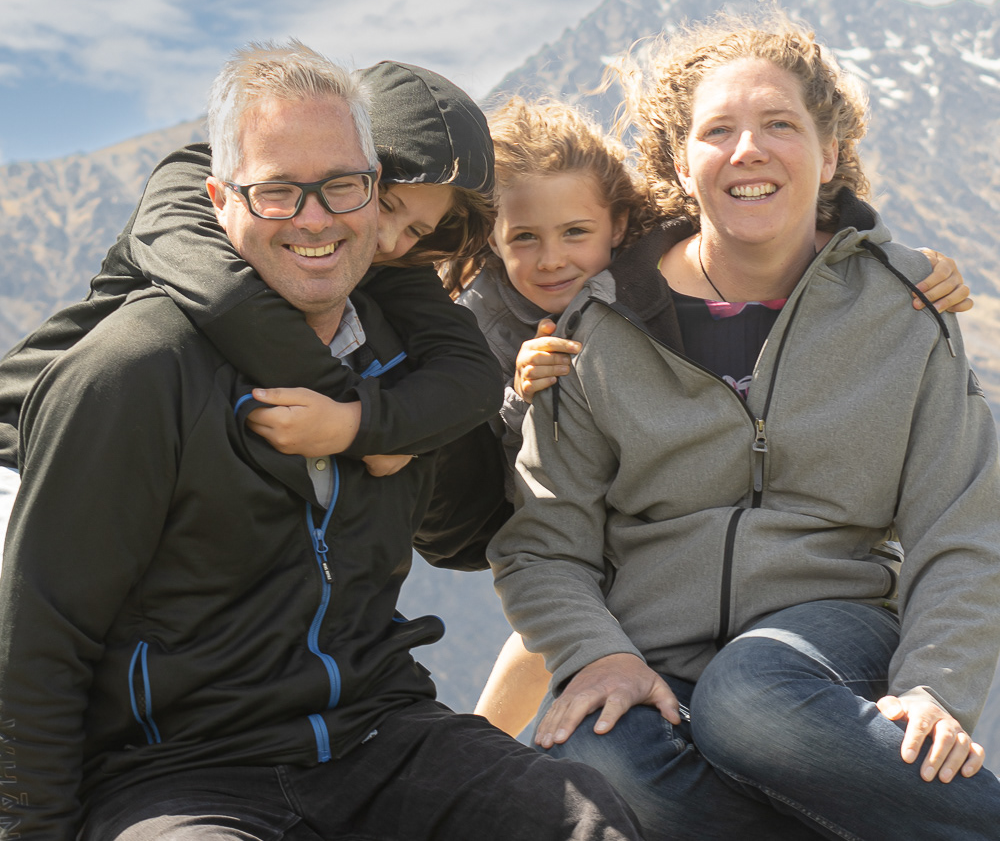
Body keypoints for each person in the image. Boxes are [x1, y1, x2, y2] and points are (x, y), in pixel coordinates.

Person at [0, 42, 642, 841]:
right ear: (221, 198)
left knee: (582, 820)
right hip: (173, 764)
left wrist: (401, 421)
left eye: (346, 190)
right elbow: (38, 641)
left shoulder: (401, 355)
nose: (326, 222)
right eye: (279, 192)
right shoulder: (136, 367)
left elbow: (463, 522)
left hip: (374, 731)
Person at [487, 14, 1000, 840]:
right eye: (718, 130)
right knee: (595, 761)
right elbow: (544, 545)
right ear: (680, 163)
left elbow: (964, 525)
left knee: (749, 693)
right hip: (650, 650)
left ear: (829, 154)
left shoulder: (904, 310)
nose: (748, 150)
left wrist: (934, 686)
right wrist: (599, 655)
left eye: (780, 125)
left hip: (831, 637)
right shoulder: (596, 330)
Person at [0, 60, 500, 480]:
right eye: (386, 204)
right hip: (21, 448)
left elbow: (472, 373)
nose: (390, 239)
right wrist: (368, 425)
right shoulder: (195, 186)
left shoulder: (386, 260)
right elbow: (230, 301)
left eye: (418, 230)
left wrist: (376, 428)